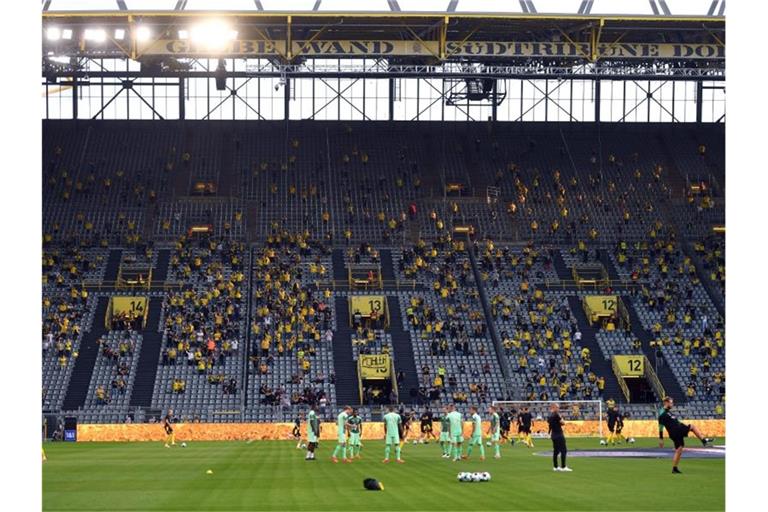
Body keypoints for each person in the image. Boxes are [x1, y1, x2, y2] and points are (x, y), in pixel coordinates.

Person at [658, 396, 714, 474]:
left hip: (676, 431)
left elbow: (673, 421)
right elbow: (660, 426)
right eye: (671, 402)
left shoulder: (668, 412)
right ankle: (704, 440)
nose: (672, 404)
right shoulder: (662, 412)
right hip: (676, 430)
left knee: (679, 450)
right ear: (666, 403)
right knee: (692, 426)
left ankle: (674, 468)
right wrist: (661, 438)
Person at [548, 403, 571, 472]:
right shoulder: (557, 415)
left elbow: (551, 425)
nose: (558, 409)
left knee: (556, 451)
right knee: (564, 450)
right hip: (559, 434)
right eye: (557, 407)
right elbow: (563, 423)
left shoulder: (550, 416)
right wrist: (561, 418)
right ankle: (563, 466)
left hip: (553, 435)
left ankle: (555, 467)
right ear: (553, 408)